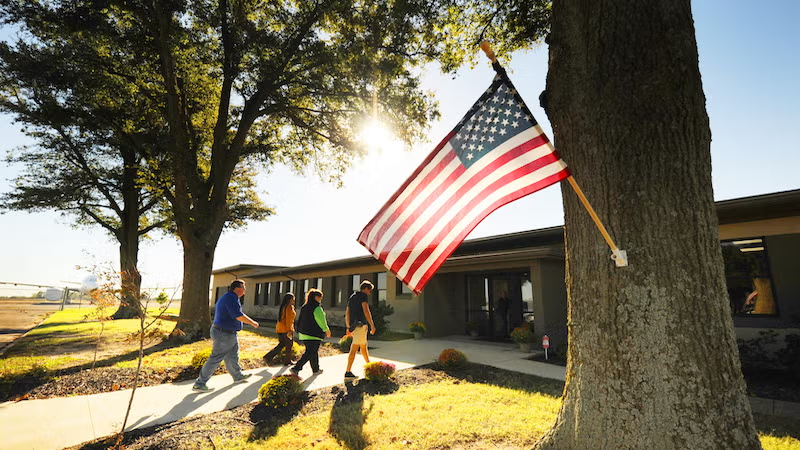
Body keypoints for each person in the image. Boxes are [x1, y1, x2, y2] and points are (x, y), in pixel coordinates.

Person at [193, 280, 259, 392]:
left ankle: (237, 376)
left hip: (229, 333)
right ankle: (200, 383)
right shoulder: (231, 298)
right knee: (216, 358)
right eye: (244, 288)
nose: (245, 290)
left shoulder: (230, 297)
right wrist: (252, 322)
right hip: (223, 333)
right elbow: (238, 315)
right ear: (237, 289)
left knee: (232, 356)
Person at [291, 288, 330, 375]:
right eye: (320, 297)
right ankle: (296, 368)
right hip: (314, 333)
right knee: (310, 352)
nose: (320, 300)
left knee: (313, 351)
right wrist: (326, 330)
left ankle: (316, 369)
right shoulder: (317, 308)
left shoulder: (304, 307)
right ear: (316, 297)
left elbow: (300, 319)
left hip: (304, 333)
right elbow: (321, 320)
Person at [344, 280, 376, 379]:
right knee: (354, 348)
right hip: (360, 325)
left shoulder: (352, 296)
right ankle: (348, 371)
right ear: (366, 289)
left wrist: (348, 326)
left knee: (363, 346)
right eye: (369, 290)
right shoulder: (363, 296)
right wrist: (372, 325)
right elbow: (366, 310)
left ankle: (369, 366)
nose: (369, 293)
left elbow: (348, 312)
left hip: (354, 326)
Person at [263, 292, 296, 365]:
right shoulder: (289, 307)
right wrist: (290, 330)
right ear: (290, 299)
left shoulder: (283, 306)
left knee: (281, 344)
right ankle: (287, 361)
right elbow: (289, 320)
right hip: (286, 329)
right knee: (289, 345)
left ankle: (268, 357)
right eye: (293, 299)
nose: (294, 301)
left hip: (280, 328)